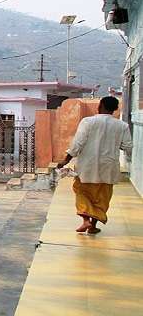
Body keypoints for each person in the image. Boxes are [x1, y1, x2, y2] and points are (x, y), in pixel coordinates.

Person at [57, 96, 133, 234]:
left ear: (100, 105)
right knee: (101, 198)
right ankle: (92, 226)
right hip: (108, 168)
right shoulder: (122, 126)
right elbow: (127, 146)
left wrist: (66, 159)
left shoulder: (87, 122)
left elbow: (77, 143)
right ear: (115, 109)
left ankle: (85, 220)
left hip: (87, 167)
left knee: (81, 192)